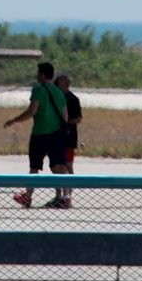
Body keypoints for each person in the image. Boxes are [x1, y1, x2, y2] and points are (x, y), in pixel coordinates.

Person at [3, 61, 69, 208]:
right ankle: (64, 196)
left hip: (40, 134)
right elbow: (65, 116)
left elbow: (31, 111)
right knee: (58, 167)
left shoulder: (38, 89)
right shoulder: (59, 92)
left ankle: (28, 196)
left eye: (38, 73)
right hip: (56, 135)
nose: (36, 75)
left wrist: (14, 120)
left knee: (34, 167)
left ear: (43, 75)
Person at [54, 73, 82, 203]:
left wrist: (64, 122)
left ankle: (68, 195)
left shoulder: (73, 99)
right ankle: (58, 195)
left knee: (68, 165)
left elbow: (78, 119)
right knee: (57, 166)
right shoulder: (55, 98)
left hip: (69, 137)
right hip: (56, 136)